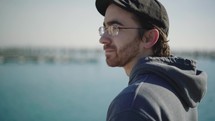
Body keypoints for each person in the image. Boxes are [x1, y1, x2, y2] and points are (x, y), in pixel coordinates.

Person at [95, 0, 207, 121]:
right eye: (105, 28)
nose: (102, 39)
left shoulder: (133, 104)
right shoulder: (180, 89)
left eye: (114, 28)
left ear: (149, 38)